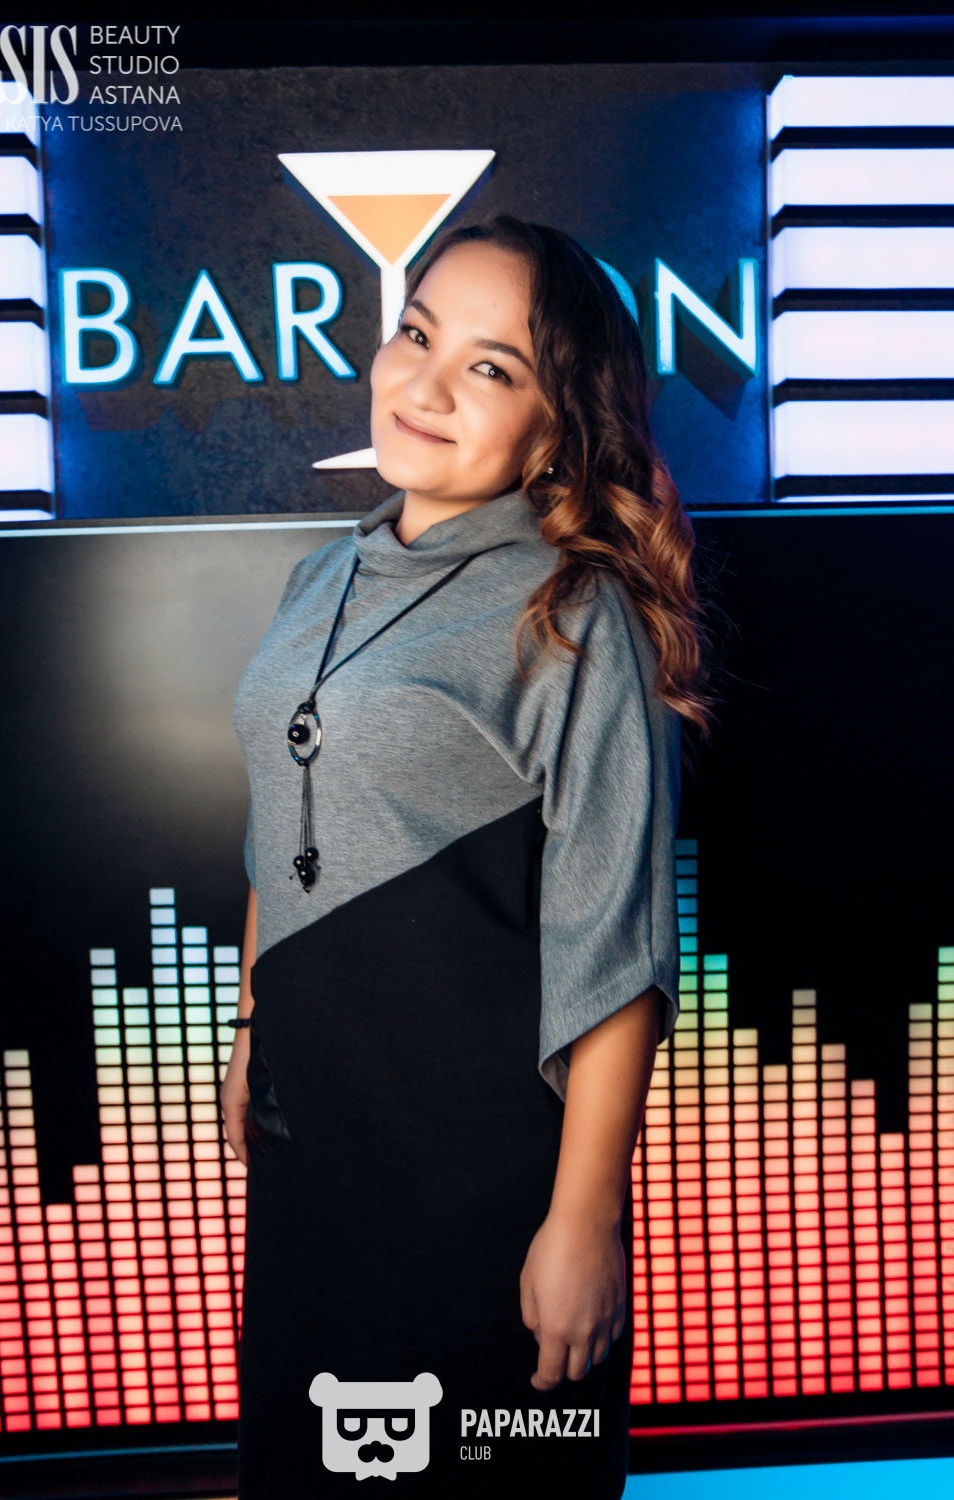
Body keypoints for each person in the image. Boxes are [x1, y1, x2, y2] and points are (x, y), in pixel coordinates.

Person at [222, 213, 715, 1497]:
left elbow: (615, 943)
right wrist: (253, 1022)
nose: (424, 384)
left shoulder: (578, 611)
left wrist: (581, 1223)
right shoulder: (317, 579)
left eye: (490, 367)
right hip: (314, 1150)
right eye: (416, 334)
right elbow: (282, 817)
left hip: (477, 1176)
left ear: (555, 428)